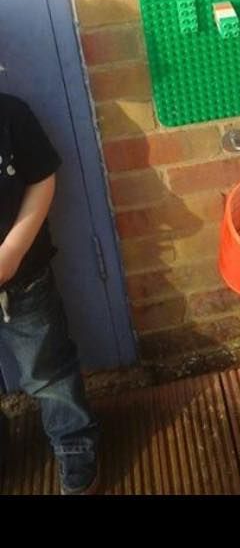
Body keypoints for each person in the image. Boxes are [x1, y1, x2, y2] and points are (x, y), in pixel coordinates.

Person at [0, 93, 99, 495]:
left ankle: (73, 437)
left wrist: (12, 251)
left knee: (48, 370)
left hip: (23, 278)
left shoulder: (10, 113)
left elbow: (42, 178)